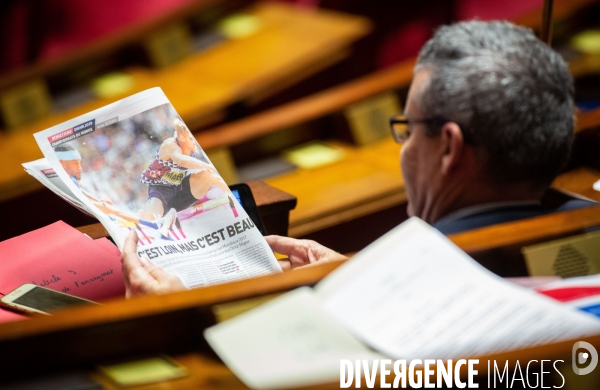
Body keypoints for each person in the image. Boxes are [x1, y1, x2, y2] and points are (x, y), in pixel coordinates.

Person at [120, 20, 593, 295]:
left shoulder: (411, 289)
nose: (405, 149)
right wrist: (351, 273)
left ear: (449, 148)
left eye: (408, 130)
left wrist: (157, 309)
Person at [138, 118, 230, 237]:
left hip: (179, 189)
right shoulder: (170, 144)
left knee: (209, 175)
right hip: (160, 190)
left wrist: (231, 194)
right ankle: (147, 218)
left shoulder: (191, 150)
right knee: (153, 216)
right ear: (182, 138)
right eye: (191, 138)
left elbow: (198, 168)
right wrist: (207, 165)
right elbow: (180, 160)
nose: (194, 141)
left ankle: (233, 196)